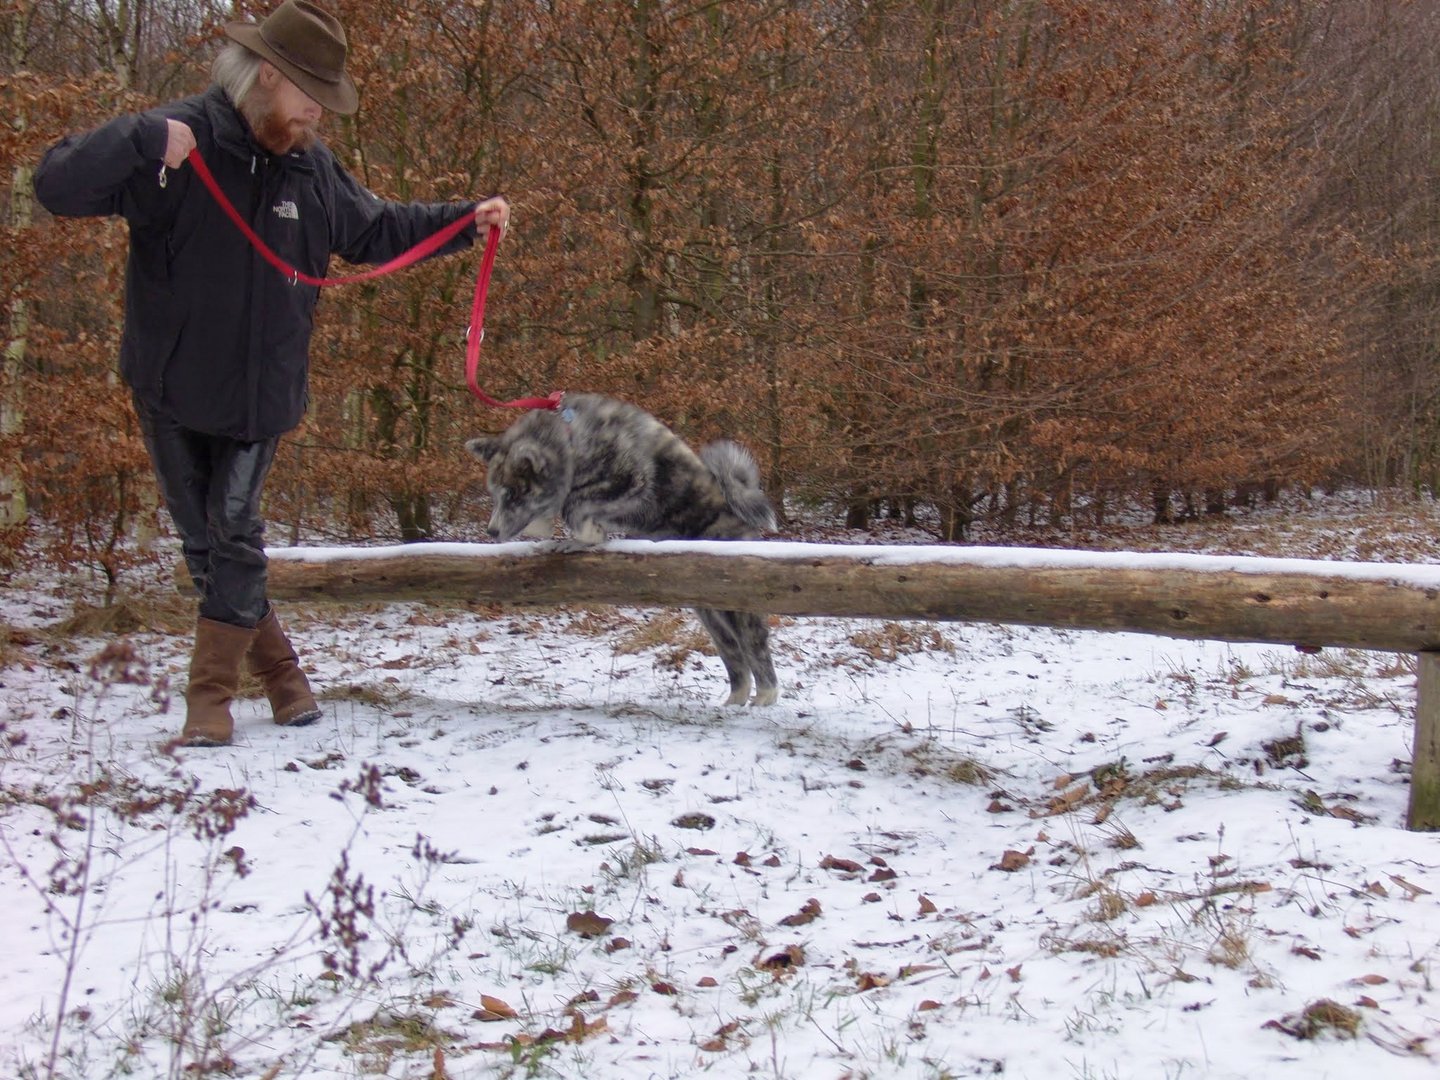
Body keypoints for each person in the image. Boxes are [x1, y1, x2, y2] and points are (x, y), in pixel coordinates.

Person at [33, 0, 509, 747]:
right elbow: (55, 186)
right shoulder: (175, 143)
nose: (317, 111)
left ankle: (210, 701)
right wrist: (137, 138)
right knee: (206, 544)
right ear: (264, 76)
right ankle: (284, 676)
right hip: (169, 387)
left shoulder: (311, 169)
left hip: (262, 394)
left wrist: (463, 221)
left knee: (234, 533)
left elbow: (376, 229)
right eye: (308, 92)